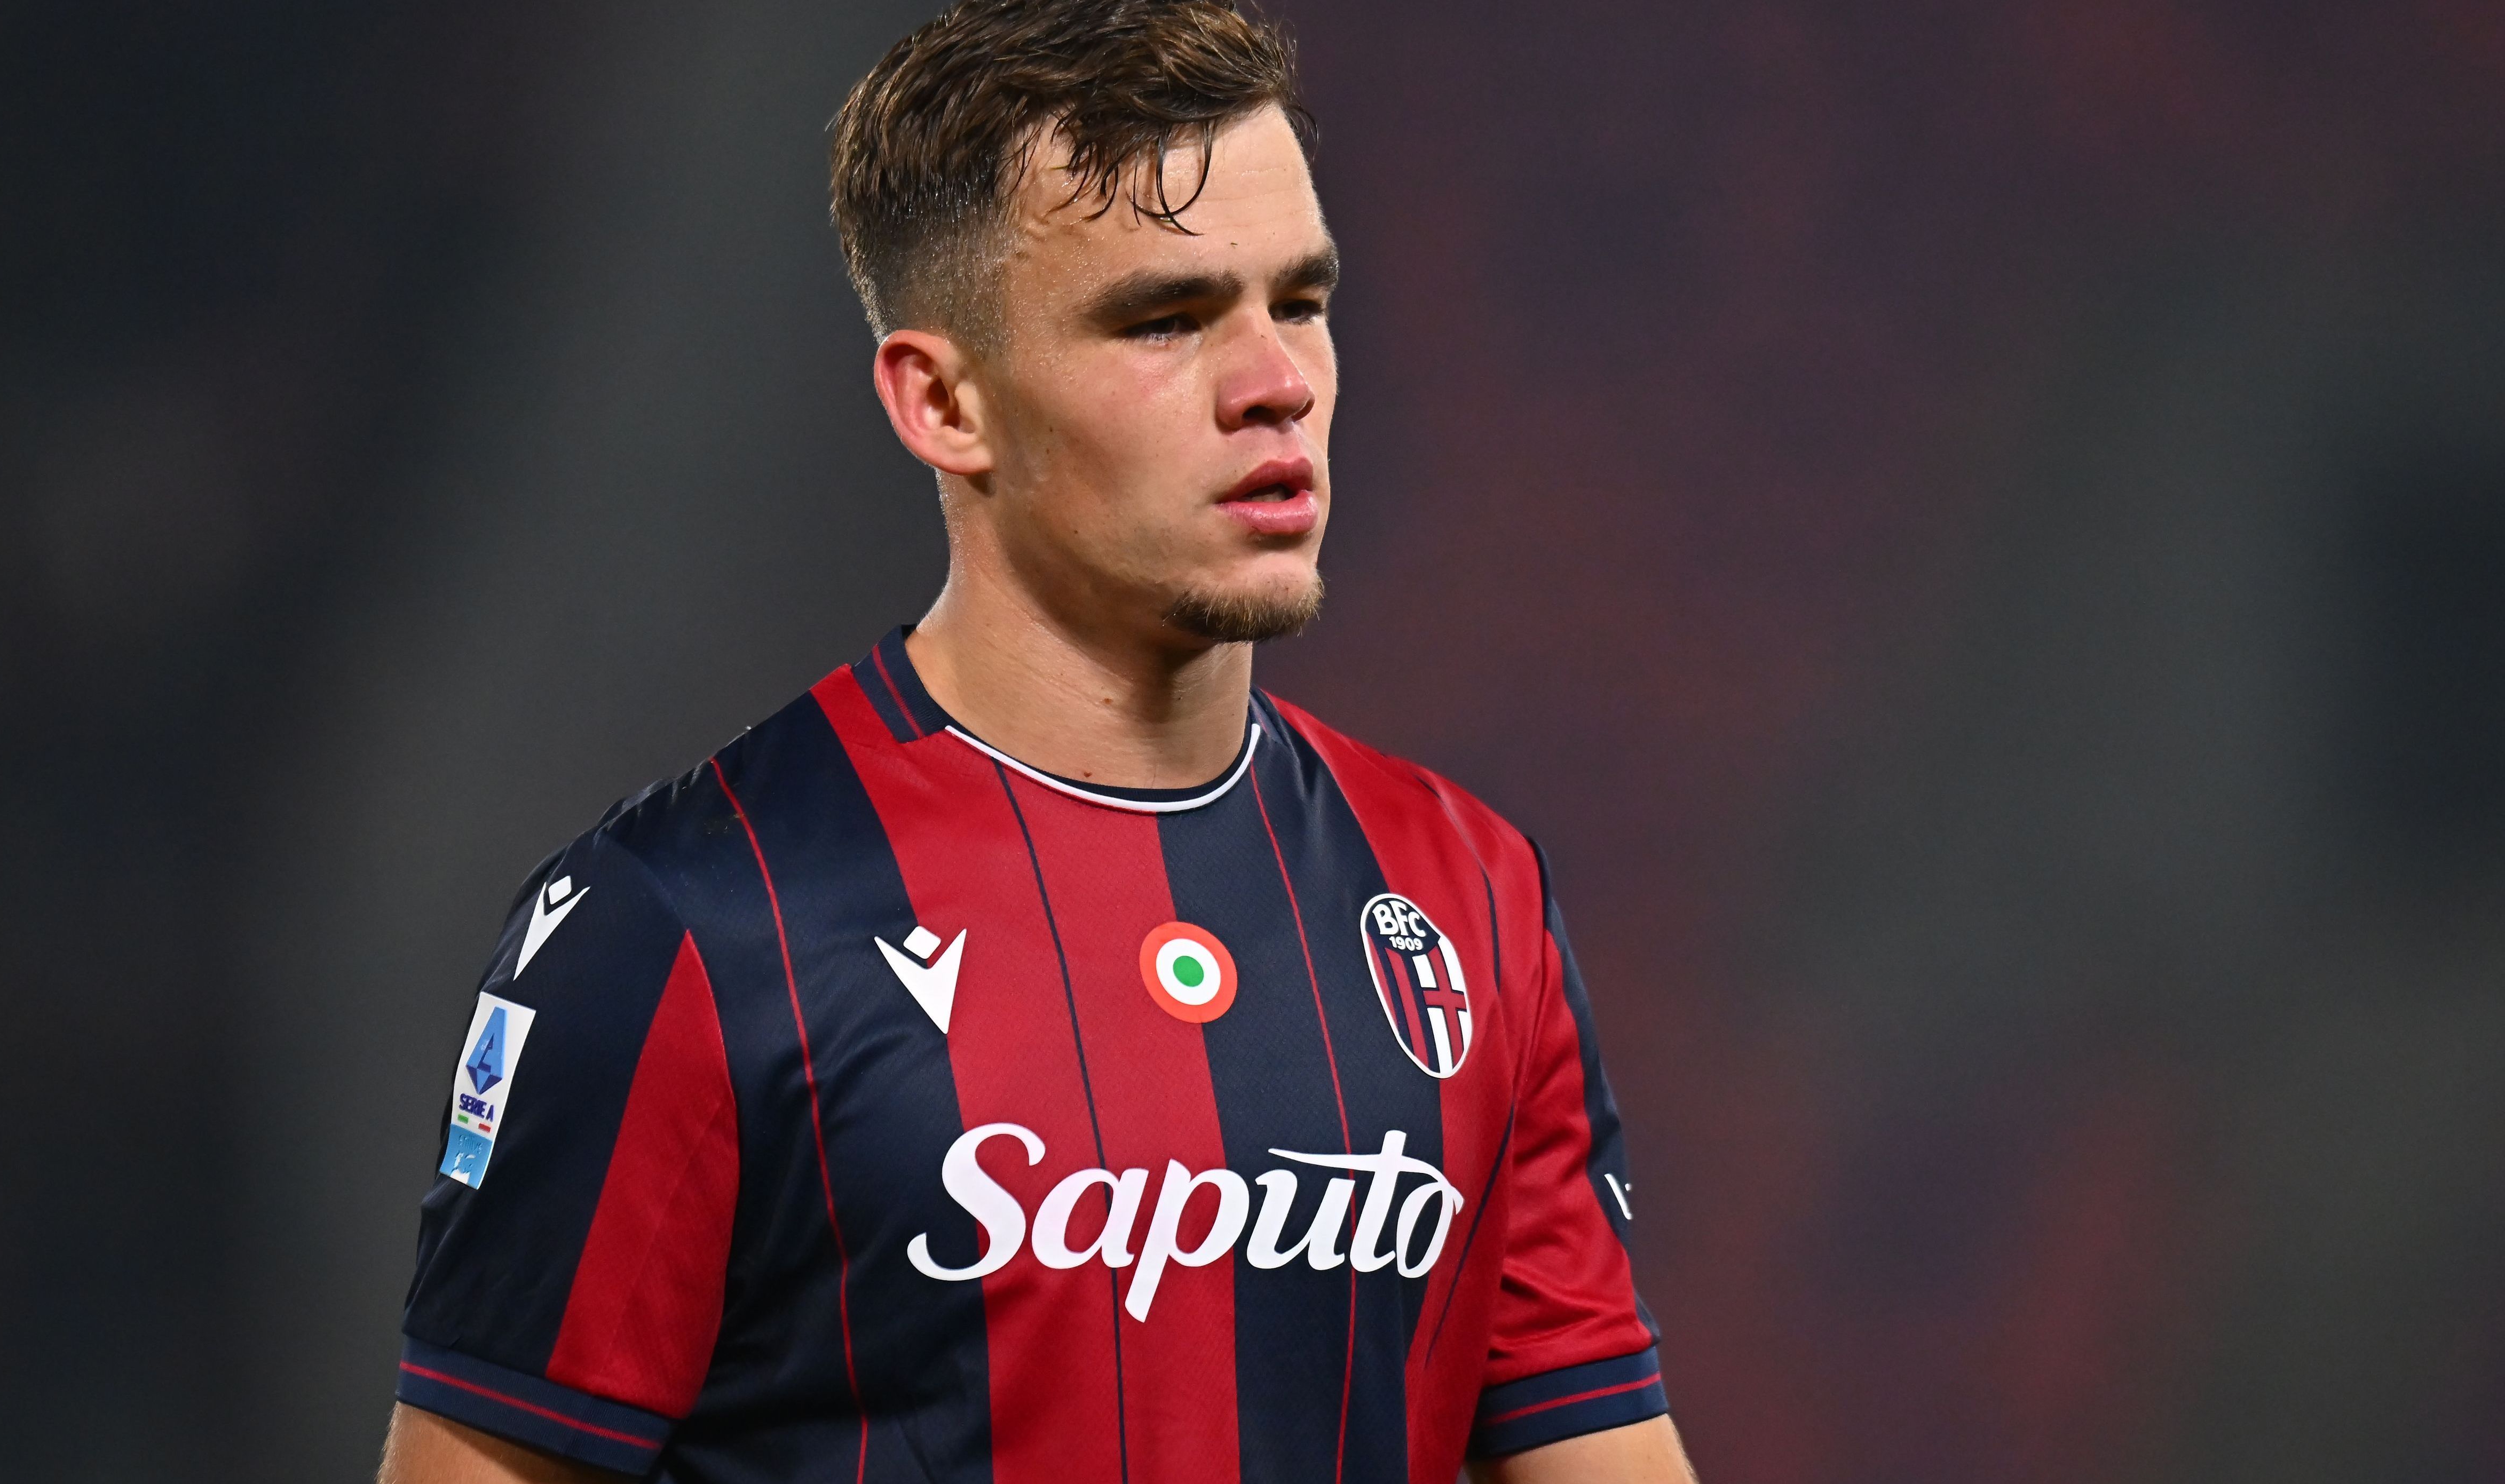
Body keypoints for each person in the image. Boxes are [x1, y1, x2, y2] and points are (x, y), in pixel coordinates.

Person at [375, 3, 1696, 1480]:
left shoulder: (1466, 897)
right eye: (1166, 320)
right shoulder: (686, 924)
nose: (1278, 382)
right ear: (945, 402)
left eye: (1302, 300)